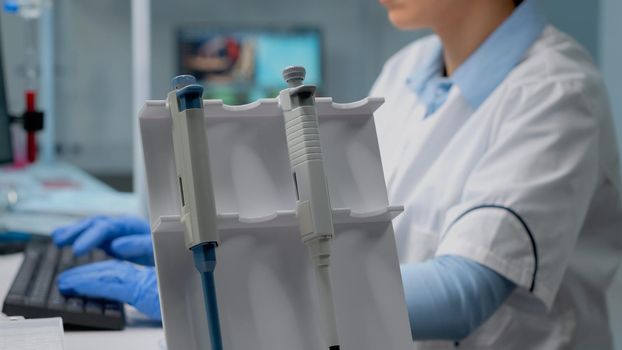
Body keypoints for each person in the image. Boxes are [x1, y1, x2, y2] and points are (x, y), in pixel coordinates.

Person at [54, 0, 622, 348]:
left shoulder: (556, 93)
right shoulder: (406, 72)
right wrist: (189, 244)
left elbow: (464, 292)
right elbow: (338, 229)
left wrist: (217, 293)